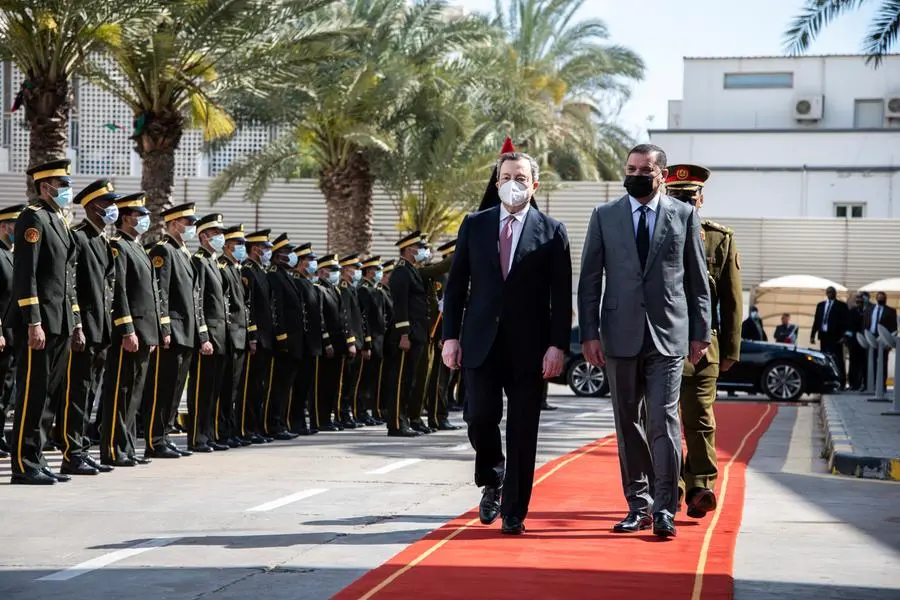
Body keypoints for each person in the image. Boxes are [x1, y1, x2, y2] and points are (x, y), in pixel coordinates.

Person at [577, 143, 711, 538]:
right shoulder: (604, 215)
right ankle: (639, 505)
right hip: (618, 335)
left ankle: (665, 507)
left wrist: (700, 333)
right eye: (630, 169)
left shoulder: (683, 215)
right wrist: (589, 334)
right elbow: (589, 280)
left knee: (664, 420)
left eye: (644, 170)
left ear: (661, 176)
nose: (635, 175)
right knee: (627, 422)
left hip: (668, 335)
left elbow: (697, 280)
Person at [442, 149, 572, 535]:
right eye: (505, 177)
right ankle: (493, 477)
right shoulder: (474, 224)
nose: (512, 184)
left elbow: (561, 296)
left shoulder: (552, 231)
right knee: (478, 416)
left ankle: (515, 510)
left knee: (523, 429)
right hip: (480, 342)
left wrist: (557, 345)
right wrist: (450, 337)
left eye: (520, 178)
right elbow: (456, 287)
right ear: (496, 182)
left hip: (530, 348)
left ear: (535, 184)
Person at [665, 164, 742, 519]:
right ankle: (671, 487)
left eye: (689, 197)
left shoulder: (717, 238)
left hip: (703, 345)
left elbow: (731, 299)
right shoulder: (653, 232)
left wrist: (730, 349)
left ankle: (699, 487)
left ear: (701, 199)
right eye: (677, 197)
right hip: (661, 341)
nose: (684, 203)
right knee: (660, 421)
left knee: (699, 418)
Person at [9, 160, 79, 485]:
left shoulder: (58, 220)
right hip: (41, 322)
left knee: (49, 394)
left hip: (59, 320)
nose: (66, 189)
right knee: (32, 392)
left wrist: (73, 321)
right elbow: (27, 274)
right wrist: (33, 321)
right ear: (44, 187)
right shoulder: (33, 217)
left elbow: (65, 277)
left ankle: (36, 458)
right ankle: (23, 464)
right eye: (60, 184)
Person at [62, 179, 118, 475]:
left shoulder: (102, 240)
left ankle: (82, 448)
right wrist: (77, 324)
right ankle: (71, 453)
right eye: (108, 204)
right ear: (93, 207)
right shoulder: (79, 237)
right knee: (77, 393)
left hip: (101, 330)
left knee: (89, 394)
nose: (113, 209)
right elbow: (70, 285)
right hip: (85, 329)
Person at [101, 192, 160, 467]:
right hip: (130, 331)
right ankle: (113, 449)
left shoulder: (139, 248)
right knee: (120, 391)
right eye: (140, 215)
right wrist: (127, 329)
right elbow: (119, 291)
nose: (145, 219)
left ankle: (127, 447)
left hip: (145, 331)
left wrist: (154, 332)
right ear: (126, 219)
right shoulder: (118, 246)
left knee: (135, 393)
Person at [143, 202, 201, 459]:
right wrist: (164, 326)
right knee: (163, 388)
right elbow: (161, 291)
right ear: (175, 223)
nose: (192, 227)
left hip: (185, 331)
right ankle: (154, 440)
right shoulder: (163, 250)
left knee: (176, 389)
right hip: (173, 330)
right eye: (188, 223)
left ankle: (165, 435)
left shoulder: (182, 252)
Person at [238, 229, 275, 444]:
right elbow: (248, 305)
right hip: (256, 337)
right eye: (265, 248)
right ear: (255, 249)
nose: (268, 251)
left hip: (265, 337)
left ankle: (255, 427)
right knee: (249, 386)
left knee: (259, 386)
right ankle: (245, 427)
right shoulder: (248, 270)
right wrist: (252, 334)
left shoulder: (261, 271)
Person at [216, 224, 251, 447]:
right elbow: (224, 305)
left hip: (240, 336)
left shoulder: (236, 269)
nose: (242, 248)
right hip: (229, 336)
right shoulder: (222, 267)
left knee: (234, 389)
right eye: (238, 244)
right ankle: (221, 431)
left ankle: (230, 430)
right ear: (227, 246)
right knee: (225, 388)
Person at [0, 204, 22, 459]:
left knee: (6, 389)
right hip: (2, 334)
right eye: (17, 226)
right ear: (5, 226)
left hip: (14, 335)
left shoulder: (13, 255)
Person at [867, 291, 897, 394]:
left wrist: (890, 341)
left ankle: (882, 385)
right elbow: (865, 324)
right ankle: (871, 384)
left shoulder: (891, 311)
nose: (880, 299)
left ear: (885, 299)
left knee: (883, 363)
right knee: (871, 361)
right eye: (879, 297)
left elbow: (894, 328)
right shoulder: (869, 310)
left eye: (882, 297)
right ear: (876, 298)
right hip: (872, 337)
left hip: (884, 338)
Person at [846, 293, 868, 391]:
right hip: (854, 341)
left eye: (861, 301)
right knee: (853, 363)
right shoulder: (852, 312)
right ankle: (853, 384)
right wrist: (847, 339)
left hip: (865, 341)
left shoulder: (867, 311)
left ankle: (865, 383)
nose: (859, 302)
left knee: (864, 363)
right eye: (857, 300)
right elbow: (848, 326)